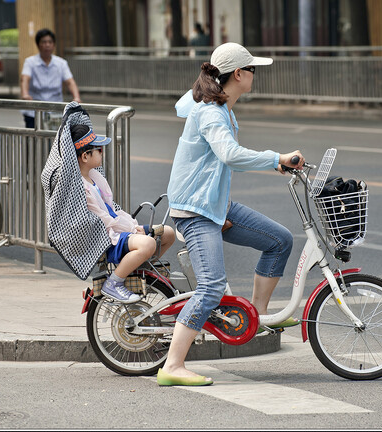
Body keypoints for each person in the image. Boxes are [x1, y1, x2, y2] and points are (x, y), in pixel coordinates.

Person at [157, 42, 305, 387]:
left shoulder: (215, 104)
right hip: (195, 211)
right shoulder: (211, 111)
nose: (255, 74)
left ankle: (257, 313)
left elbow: (183, 104)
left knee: (279, 240)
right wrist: (276, 159)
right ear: (238, 74)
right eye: (252, 69)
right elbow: (229, 154)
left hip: (215, 205)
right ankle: (173, 366)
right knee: (209, 287)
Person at [71, 123, 176, 304]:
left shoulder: (94, 176)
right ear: (85, 156)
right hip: (108, 238)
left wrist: (134, 227)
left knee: (168, 233)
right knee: (148, 244)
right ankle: (114, 283)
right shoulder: (82, 187)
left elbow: (113, 209)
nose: (102, 152)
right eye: (98, 149)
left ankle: (134, 272)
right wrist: (133, 230)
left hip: (119, 229)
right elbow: (103, 221)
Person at [20, 28, 81, 128]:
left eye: (50, 42)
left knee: (54, 140)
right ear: (38, 44)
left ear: (53, 45)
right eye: (44, 42)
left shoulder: (61, 63)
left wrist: (76, 97)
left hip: (55, 111)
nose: (47, 45)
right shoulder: (30, 62)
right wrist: (25, 94)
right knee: (33, 140)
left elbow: (70, 82)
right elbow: (25, 79)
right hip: (34, 110)